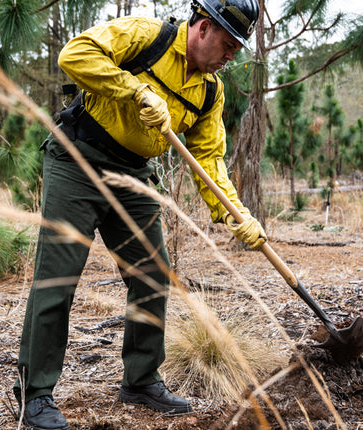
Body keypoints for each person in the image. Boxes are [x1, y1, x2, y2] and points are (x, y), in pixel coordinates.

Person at [14, 1, 265, 429]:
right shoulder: (147, 36)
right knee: (58, 276)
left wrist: (235, 213)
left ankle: (141, 379)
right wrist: (134, 89)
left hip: (132, 175)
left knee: (152, 273)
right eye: (227, 44)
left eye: (237, 48)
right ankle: (34, 394)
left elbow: (209, 158)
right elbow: (74, 54)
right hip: (77, 159)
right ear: (203, 27)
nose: (230, 56)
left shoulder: (209, 90)